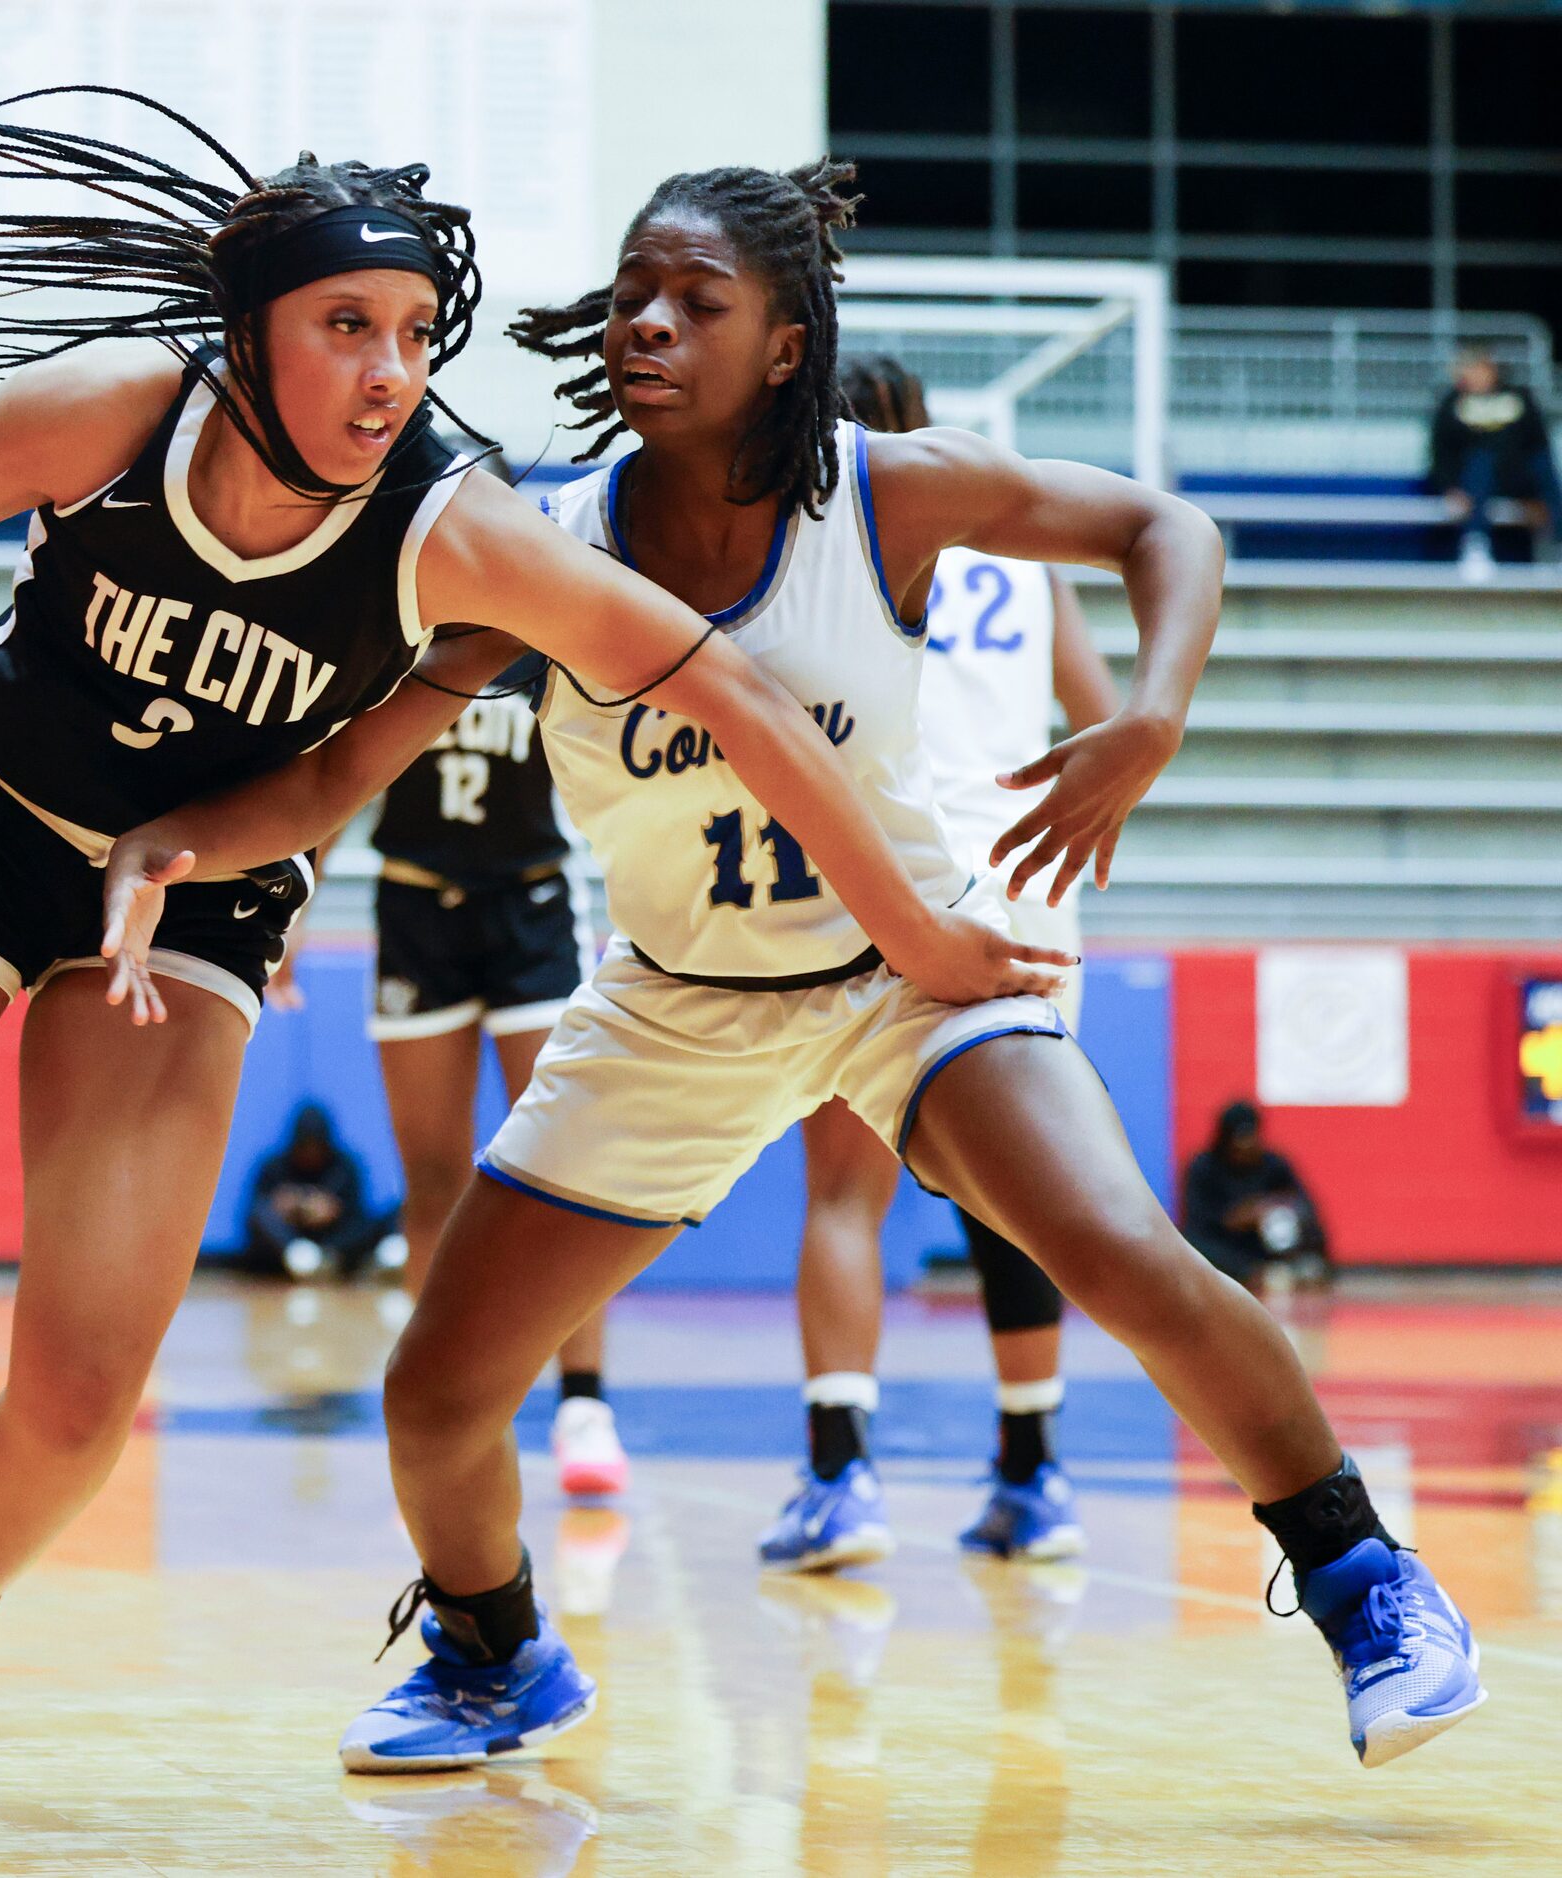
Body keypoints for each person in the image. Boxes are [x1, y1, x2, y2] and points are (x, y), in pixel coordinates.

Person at [0, 89, 1052, 1809]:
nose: (389, 370)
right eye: (347, 328)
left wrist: (917, 925)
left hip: (202, 892)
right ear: (247, 332)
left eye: (412, 335)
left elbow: (728, 683)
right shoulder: (113, 411)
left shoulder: (455, 527)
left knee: (91, 1370)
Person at [98, 159, 1484, 1775]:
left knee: (1114, 1242)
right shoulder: (543, 543)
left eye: (696, 300)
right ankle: (492, 1653)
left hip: (904, 968)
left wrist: (1150, 712)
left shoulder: (881, 491)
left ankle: (1365, 1579)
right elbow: (342, 775)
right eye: (631, 293)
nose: (647, 324)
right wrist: (179, 835)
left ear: (781, 341)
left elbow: (1163, 524)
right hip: (671, 1000)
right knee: (434, 1394)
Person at [758, 355, 1122, 1574]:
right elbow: (1094, 710)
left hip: (890, 881)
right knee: (1019, 1199)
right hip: (1025, 892)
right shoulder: (1019, 555)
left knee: (843, 1194)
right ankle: (1033, 1476)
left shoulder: (832, 538)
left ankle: (840, 1478)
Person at [367, 661, 627, 1496]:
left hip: (532, 907)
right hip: (413, 907)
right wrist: (292, 905)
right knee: (432, 1179)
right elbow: (339, 765)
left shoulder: (546, 615)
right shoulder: (394, 620)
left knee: (567, 1163)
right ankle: (434, 1401)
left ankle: (583, 1404)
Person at [1428, 344, 1561, 579]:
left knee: (1542, 465)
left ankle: (1557, 545)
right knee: (1481, 461)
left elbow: (1537, 442)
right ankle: (1476, 544)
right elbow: (1442, 451)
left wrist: (1534, 495)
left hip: (1518, 475)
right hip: (1475, 479)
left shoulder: (1518, 397)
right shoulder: (1452, 404)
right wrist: (1449, 487)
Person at [1182, 1101, 1330, 1291]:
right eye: (1238, 1144)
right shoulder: (1202, 1168)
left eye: (1250, 1139)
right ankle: (1256, 1274)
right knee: (1195, 1247)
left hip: (1264, 1245)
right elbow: (1196, 1222)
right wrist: (1235, 1218)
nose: (1245, 1149)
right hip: (1225, 1245)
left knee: (1309, 1232)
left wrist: (1272, 1207)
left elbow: (1305, 1206)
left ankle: (1297, 1269)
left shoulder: (1274, 1165)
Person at [245, 1101, 383, 1279]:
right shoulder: (274, 1167)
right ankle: (301, 1258)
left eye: (316, 1147)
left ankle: (325, 1260)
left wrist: (333, 1209)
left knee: (385, 1217)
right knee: (259, 1215)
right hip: (286, 1244)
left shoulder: (345, 1167)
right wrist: (286, 1208)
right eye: (305, 1146)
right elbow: (256, 1209)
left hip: (332, 1242)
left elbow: (357, 1213)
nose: (310, 1154)